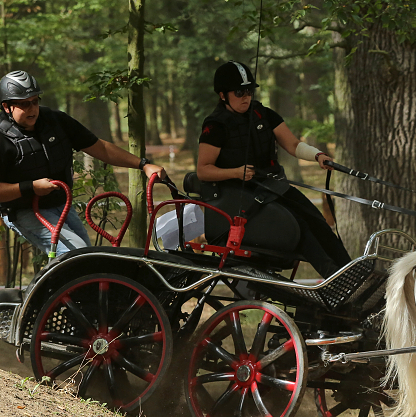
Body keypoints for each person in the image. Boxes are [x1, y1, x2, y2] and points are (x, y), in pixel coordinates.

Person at [196, 60, 351, 278]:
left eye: (249, 90)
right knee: (298, 227)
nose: (246, 96)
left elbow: (293, 144)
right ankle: (335, 280)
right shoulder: (215, 126)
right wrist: (235, 172)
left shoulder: (264, 114)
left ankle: (352, 274)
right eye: (239, 92)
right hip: (242, 198)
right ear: (223, 95)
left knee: (317, 221)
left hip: (274, 187)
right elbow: (203, 170)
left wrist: (317, 155)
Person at [0, 70, 166, 256]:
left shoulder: (55, 121)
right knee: (78, 257)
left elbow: (101, 148)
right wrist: (30, 187)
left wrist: (143, 164)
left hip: (62, 205)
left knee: (87, 259)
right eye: (24, 104)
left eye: (35, 101)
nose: (32, 108)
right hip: (25, 211)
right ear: (7, 107)